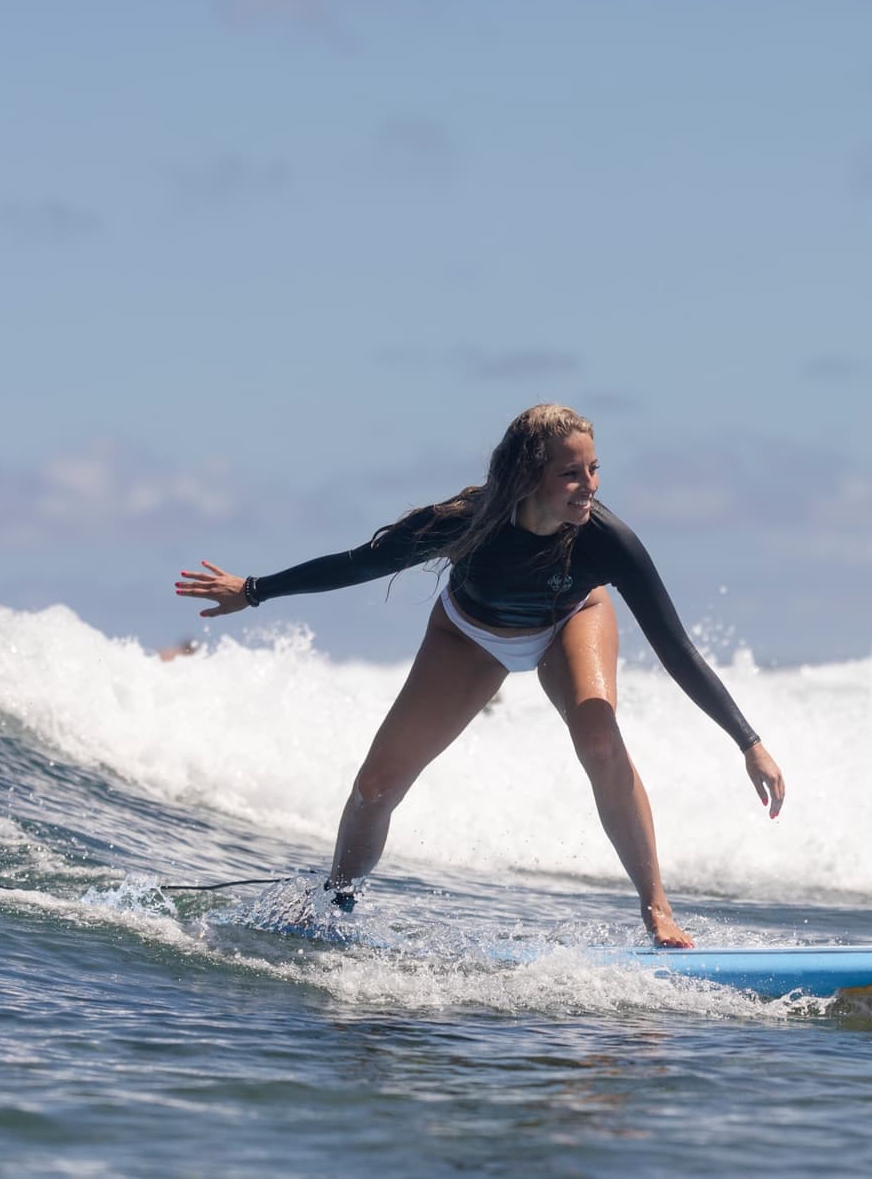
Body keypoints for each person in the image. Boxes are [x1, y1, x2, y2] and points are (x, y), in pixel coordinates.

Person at [173, 404, 785, 947]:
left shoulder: (607, 542)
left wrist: (748, 742)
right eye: (572, 473)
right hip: (470, 635)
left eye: (595, 470)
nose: (588, 486)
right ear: (529, 476)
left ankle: (657, 909)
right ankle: (337, 897)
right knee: (376, 784)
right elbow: (359, 564)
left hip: (571, 619)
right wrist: (252, 591)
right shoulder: (463, 522)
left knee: (599, 737)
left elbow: (674, 646)